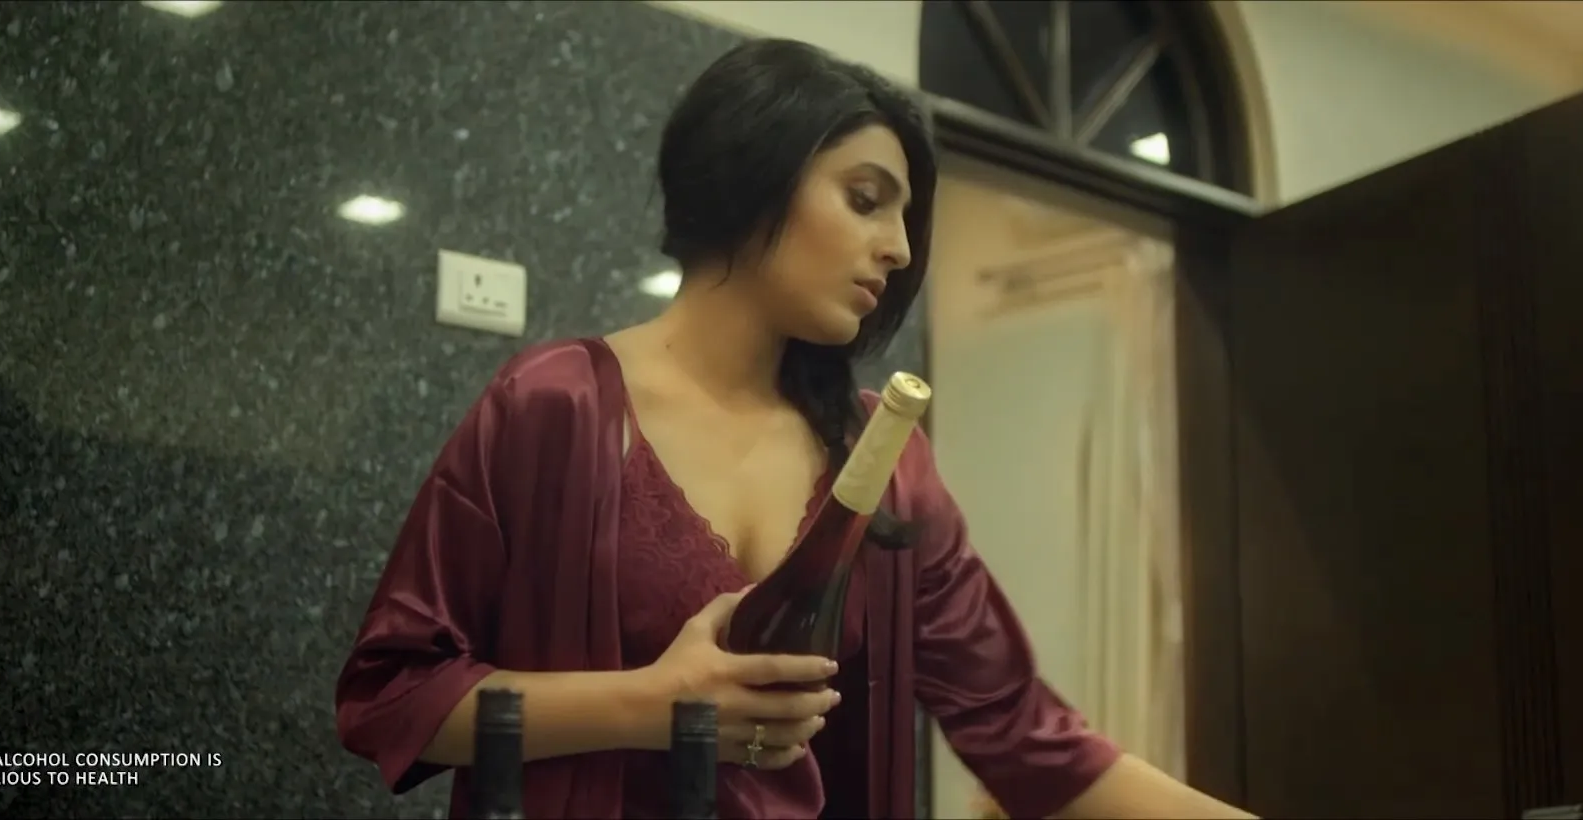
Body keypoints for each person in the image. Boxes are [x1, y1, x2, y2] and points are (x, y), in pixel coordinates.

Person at [334, 38, 1254, 820]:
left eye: (905, 217)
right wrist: (651, 704)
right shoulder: (555, 406)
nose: (899, 248)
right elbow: (391, 697)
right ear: (752, 174)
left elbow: (1026, 734)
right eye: (865, 198)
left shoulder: (884, 460)